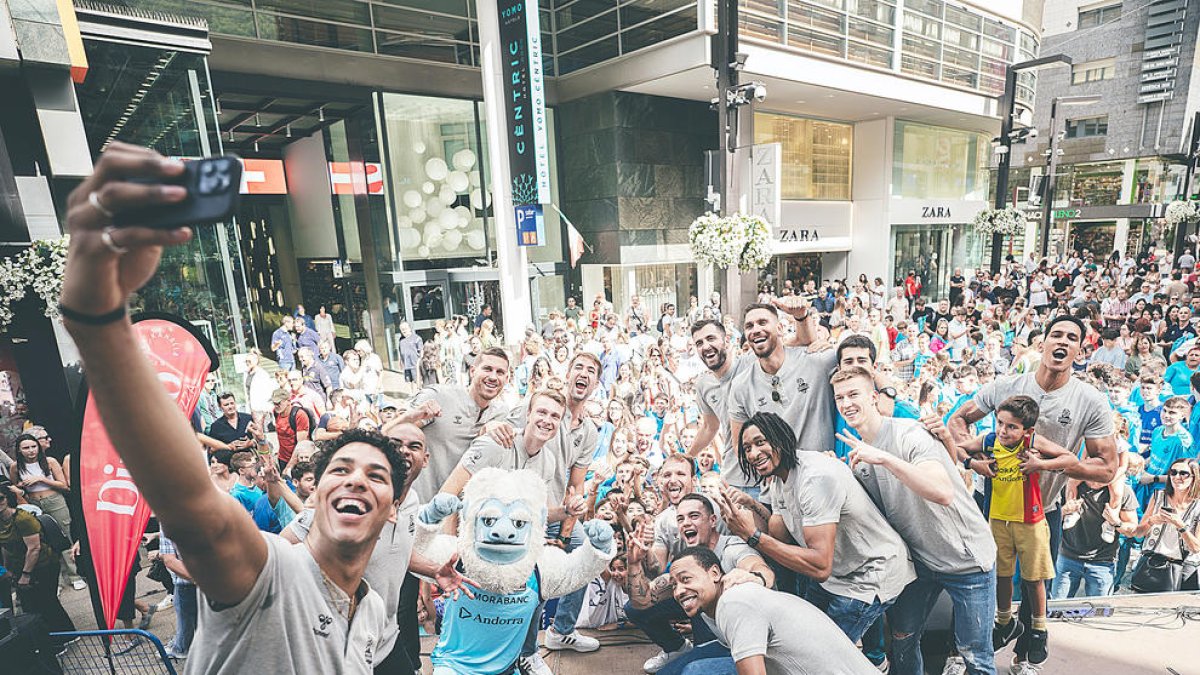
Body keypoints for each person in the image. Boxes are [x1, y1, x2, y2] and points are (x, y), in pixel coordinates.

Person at [54, 143, 443, 670]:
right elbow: (196, 512)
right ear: (318, 492)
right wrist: (97, 321)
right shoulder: (270, 572)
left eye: (377, 476)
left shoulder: (371, 613)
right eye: (341, 468)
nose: (355, 479)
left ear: (394, 507)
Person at [830, 367, 996, 675]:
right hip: (919, 564)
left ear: (874, 398)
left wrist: (884, 458)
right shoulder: (859, 455)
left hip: (967, 560)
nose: (846, 403)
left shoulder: (909, 433)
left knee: (975, 655)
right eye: (840, 397)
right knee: (903, 640)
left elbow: (942, 491)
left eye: (854, 394)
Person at [721, 413, 915, 656]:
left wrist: (751, 535)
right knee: (798, 637)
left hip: (869, 576)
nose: (752, 454)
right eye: (747, 448)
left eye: (760, 442)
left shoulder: (815, 478)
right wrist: (752, 506)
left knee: (821, 656)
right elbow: (780, 536)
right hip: (837, 575)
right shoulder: (780, 477)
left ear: (781, 438)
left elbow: (819, 565)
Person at [957, 396, 1077, 671]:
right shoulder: (989, 441)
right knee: (1000, 574)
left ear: (1027, 430)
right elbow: (956, 447)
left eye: (1012, 426)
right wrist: (972, 464)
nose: (1003, 430)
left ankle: (1038, 630)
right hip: (998, 519)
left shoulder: (1031, 444)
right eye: (1000, 423)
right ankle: (1004, 621)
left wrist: (1040, 465)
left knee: (1034, 579)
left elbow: (1069, 458)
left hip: (1030, 520)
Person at [625, 492, 775, 675]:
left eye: (693, 516)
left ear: (712, 520)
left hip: (756, 645)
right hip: (717, 631)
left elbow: (761, 569)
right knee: (633, 609)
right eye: (680, 519)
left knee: (691, 671)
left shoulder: (731, 549)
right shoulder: (689, 558)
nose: (686, 523)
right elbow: (642, 601)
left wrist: (754, 577)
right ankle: (678, 648)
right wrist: (633, 563)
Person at [668, 546, 876, 675]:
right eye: (674, 585)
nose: (679, 591)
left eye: (686, 579)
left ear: (714, 573)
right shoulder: (724, 601)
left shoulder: (734, 602)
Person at [395, 347, 512, 502]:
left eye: (500, 372)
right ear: (472, 371)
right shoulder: (439, 397)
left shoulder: (501, 414)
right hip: (420, 504)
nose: (493, 377)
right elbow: (393, 433)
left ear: (507, 378)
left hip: (461, 512)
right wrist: (412, 416)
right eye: (487, 369)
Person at [729, 302, 836, 454]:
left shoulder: (817, 361)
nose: (756, 330)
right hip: (780, 476)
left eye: (762, 323)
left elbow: (861, 362)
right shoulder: (741, 386)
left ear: (780, 328)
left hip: (822, 470)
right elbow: (740, 445)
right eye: (749, 326)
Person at [0, 481, 75, 639]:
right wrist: (7, 570)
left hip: (43, 564)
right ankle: (48, 637)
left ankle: (67, 636)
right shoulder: (1, 522)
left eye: (0, 498)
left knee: (48, 601)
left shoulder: (22, 518)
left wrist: (25, 575)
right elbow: (6, 547)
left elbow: (34, 548)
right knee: (32, 605)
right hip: (21, 566)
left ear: (7, 499)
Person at [1053, 471, 1139, 599]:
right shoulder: (1069, 486)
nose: (1095, 482)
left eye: (1101, 478)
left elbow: (1132, 530)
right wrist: (1065, 511)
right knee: (1057, 609)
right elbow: (1048, 521)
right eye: (1092, 476)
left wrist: (1116, 522)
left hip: (1102, 561)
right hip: (1068, 557)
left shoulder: (1122, 491)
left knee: (1099, 611)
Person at [1129, 458, 1200, 593]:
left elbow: (1196, 548)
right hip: (1152, 564)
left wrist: (1180, 526)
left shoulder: (1197, 506)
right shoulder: (1159, 496)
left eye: (1183, 473)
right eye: (1173, 472)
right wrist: (1151, 521)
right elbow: (1138, 533)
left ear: (1194, 477)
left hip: (1181, 569)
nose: (1177, 477)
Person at [158, 530, 196, 659]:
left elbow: (169, 560)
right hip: (189, 584)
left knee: (187, 622)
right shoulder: (167, 522)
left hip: (189, 584)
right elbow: (170, 560)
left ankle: (181, 648)